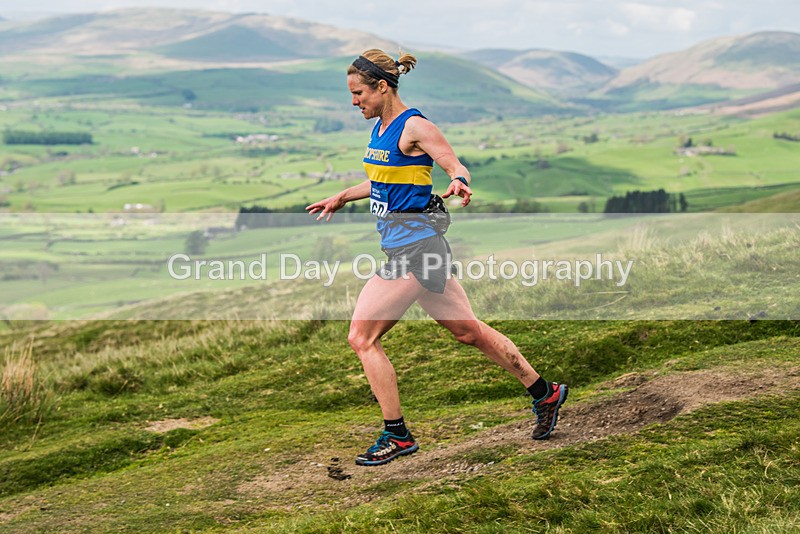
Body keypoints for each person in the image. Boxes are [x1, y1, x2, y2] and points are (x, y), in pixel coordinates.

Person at [306, 49, 567, 466]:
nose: (354, 101)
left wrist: (460, 180)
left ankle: (398, 436)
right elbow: (381, 178)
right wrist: (343, 195)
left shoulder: (415, 126)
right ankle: (545, 393)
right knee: (469, 332)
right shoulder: (382, 127)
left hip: (416, 249)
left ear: (382, 87)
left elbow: (450, 160)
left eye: (358, 93)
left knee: (362, 338)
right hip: (414, 247)